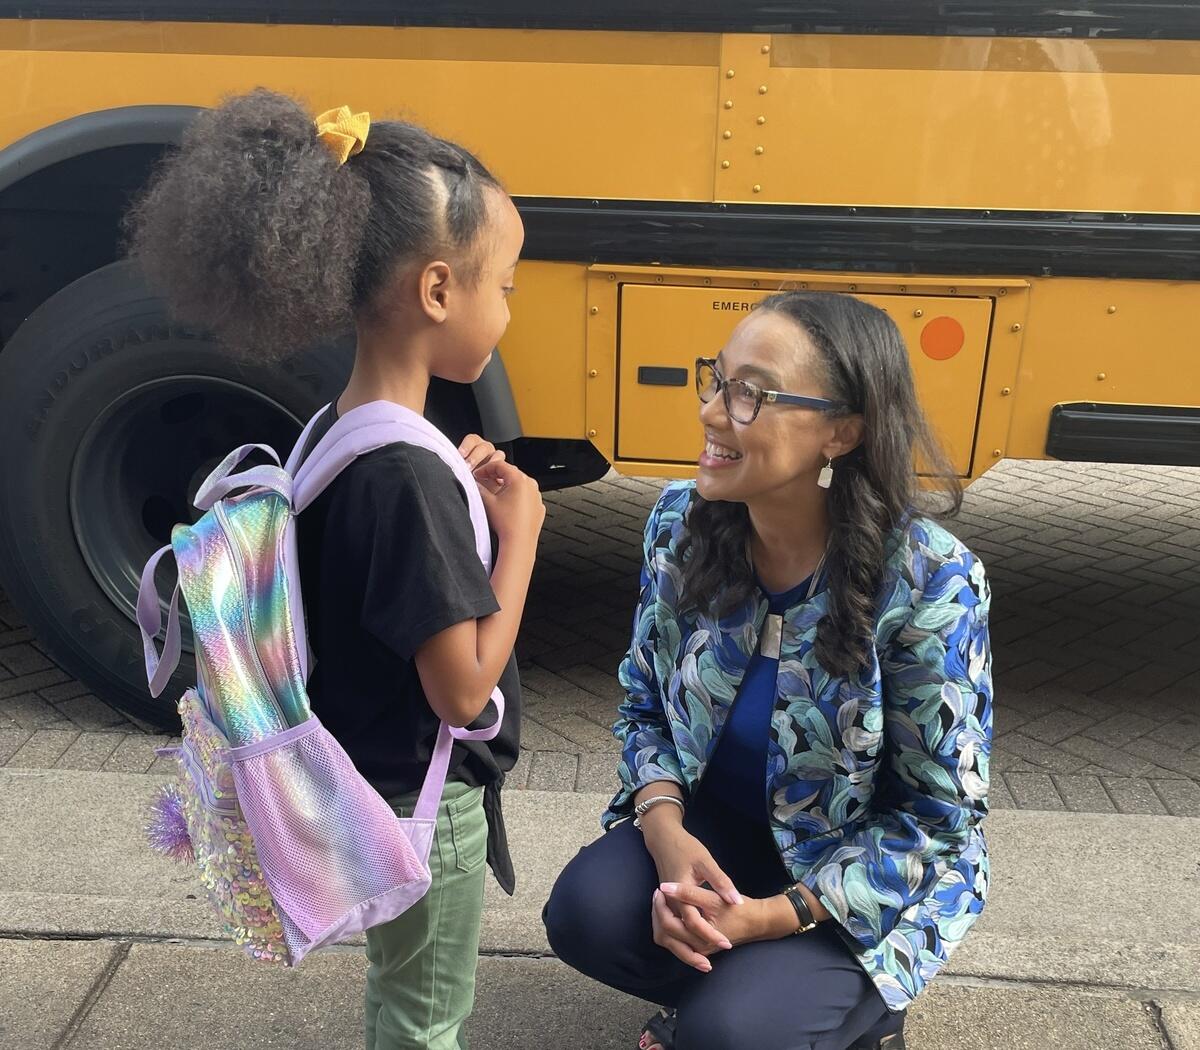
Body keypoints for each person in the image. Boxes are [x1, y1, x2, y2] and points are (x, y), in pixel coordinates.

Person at [126, 89, 543, 1050]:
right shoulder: (406, 478)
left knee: (400, 1000)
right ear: (439, 292)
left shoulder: (337, 435)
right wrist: (518, 533)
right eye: (506, 284)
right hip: (423, 811)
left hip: (365, 784)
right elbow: (461, 691)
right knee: (426, 1019)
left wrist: (460, 498)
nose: (509, 304)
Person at [544, 292, 992, 1050]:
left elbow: (934, 822)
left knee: (729, 1036)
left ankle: (858, 1011)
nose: (714, 413)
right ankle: (761, 1000)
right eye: (716, 381)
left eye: (750, 393)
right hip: (720, 836)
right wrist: (665, 836)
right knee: (583, 915)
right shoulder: (679, 523)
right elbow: (645, 704)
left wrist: (771, 918)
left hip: (849, 866)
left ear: (841, 432)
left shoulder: (928, 582)